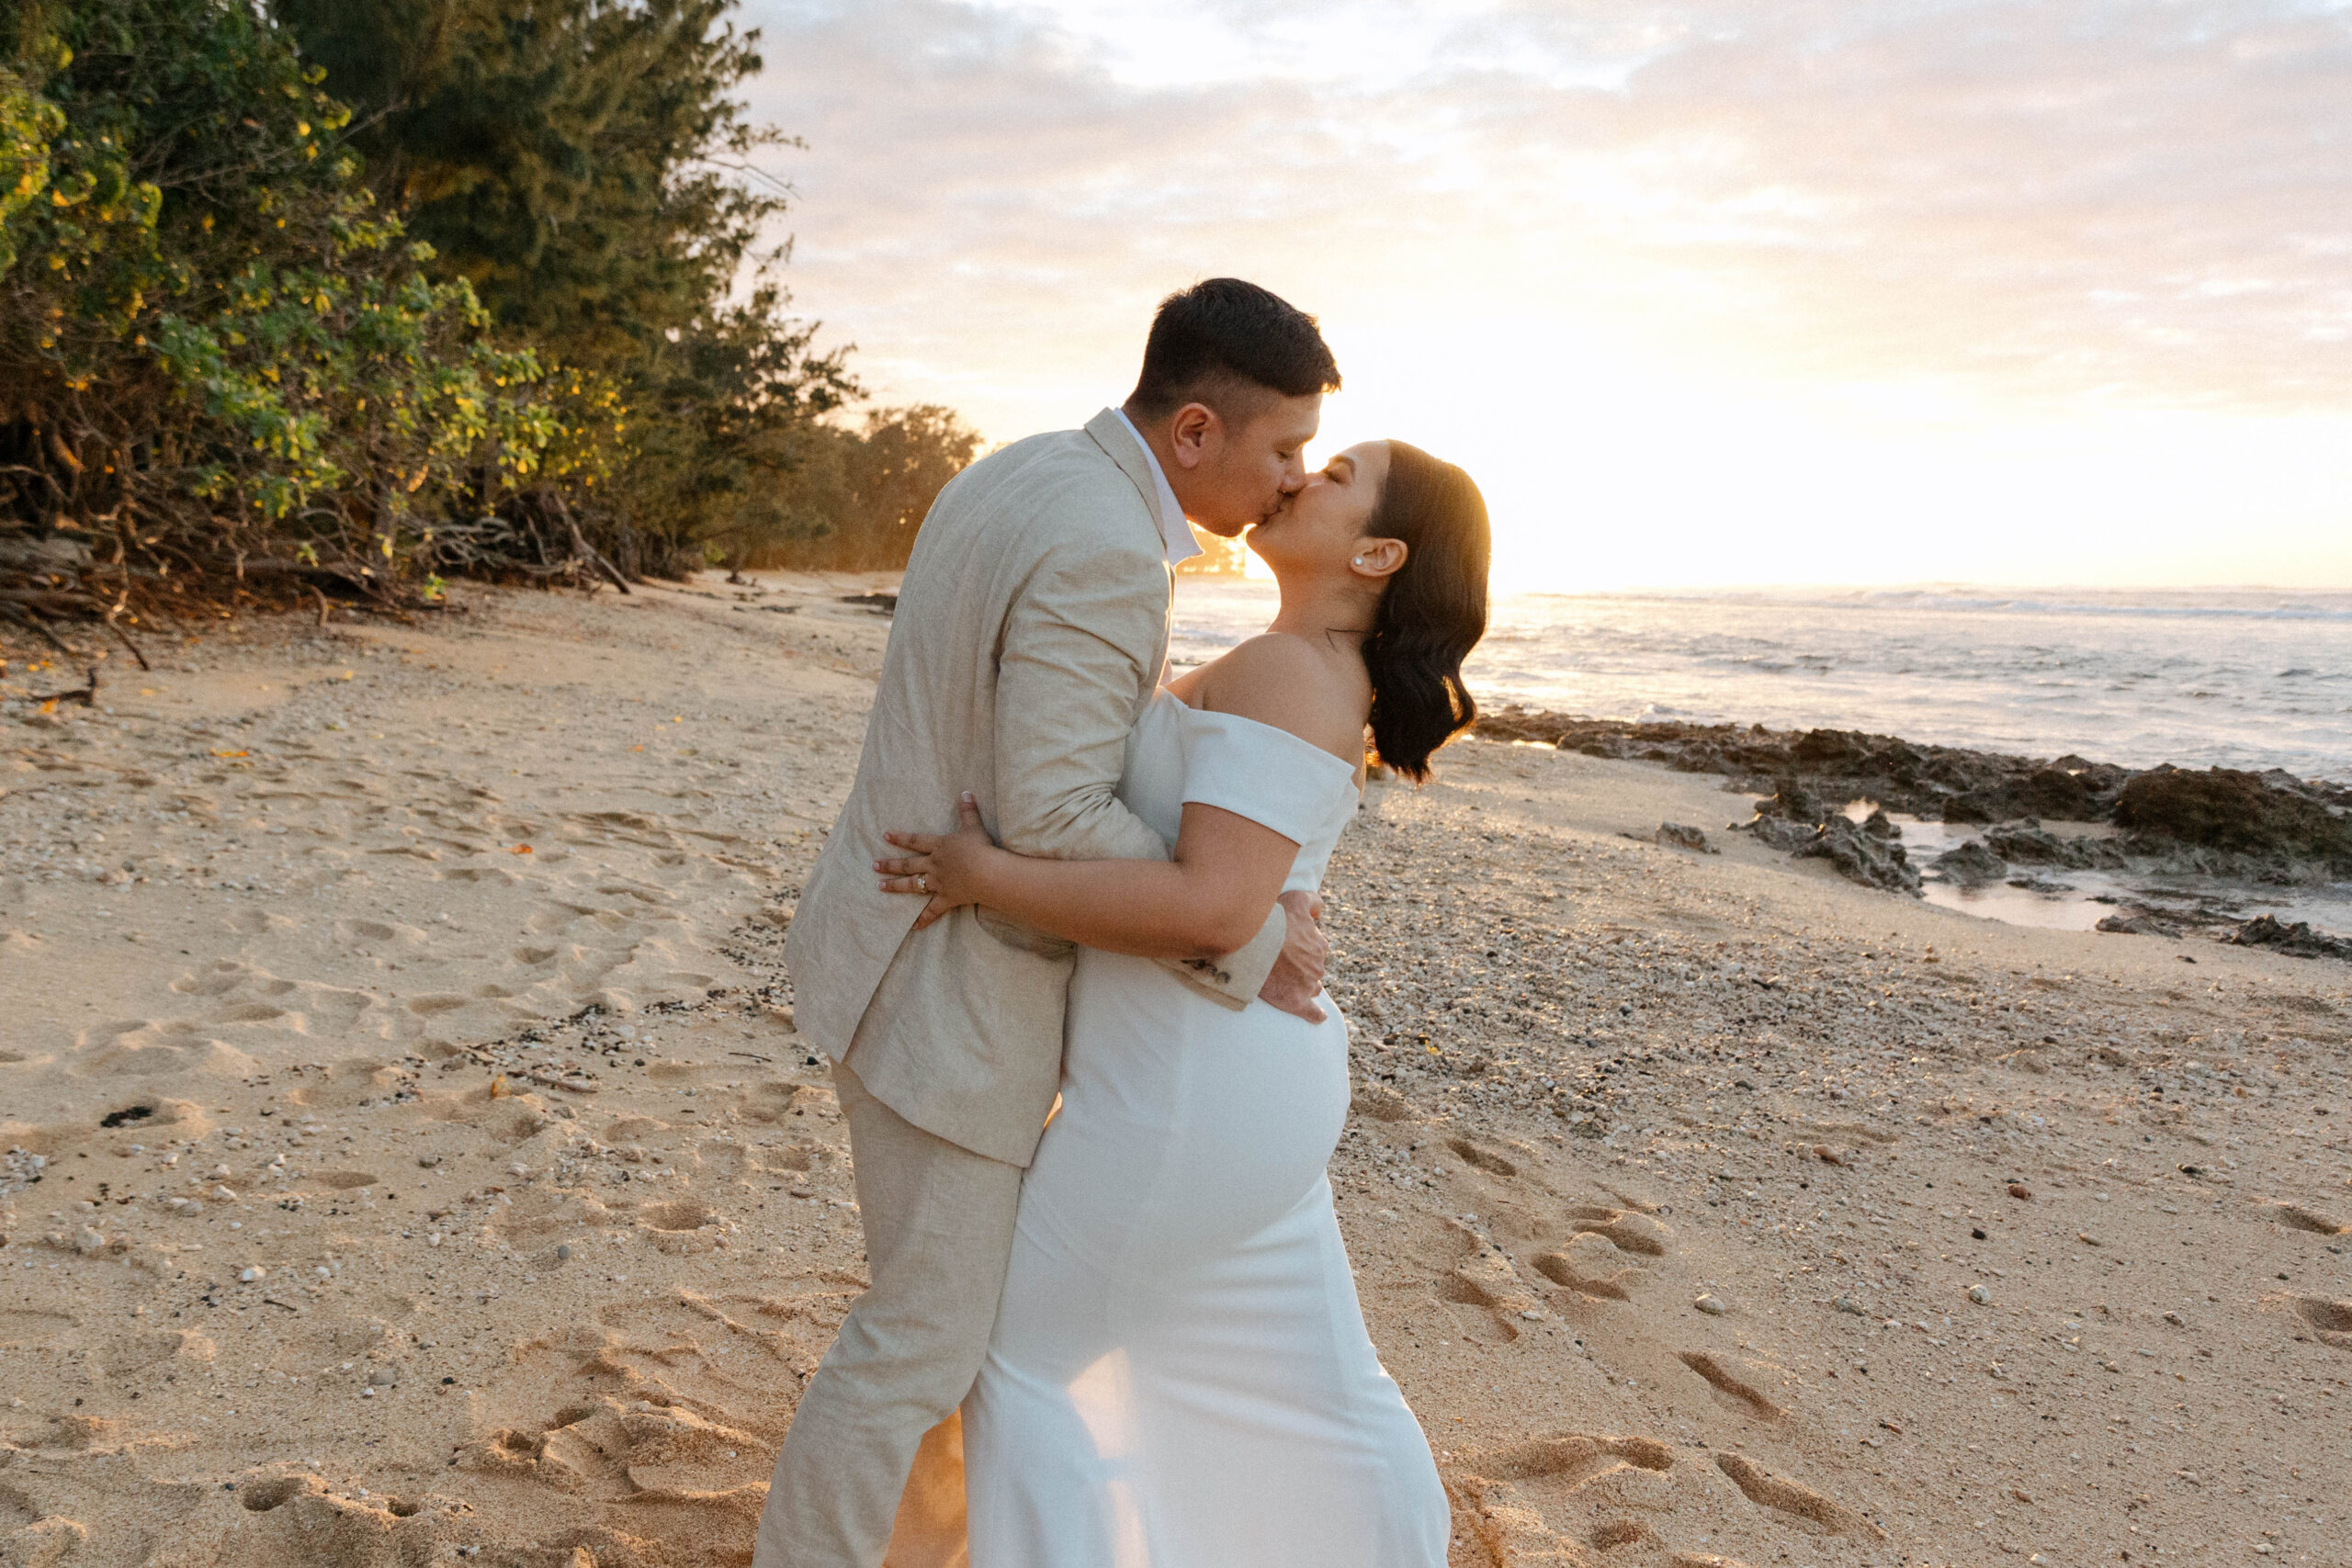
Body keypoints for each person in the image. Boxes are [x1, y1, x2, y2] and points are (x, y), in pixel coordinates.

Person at [753, 279, 1343, 1568]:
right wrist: (1237, 921)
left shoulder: (1025, 469)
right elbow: (1058, 815)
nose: (1293, 480)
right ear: (1195, 431)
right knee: (916, 1345)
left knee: (944, 1331)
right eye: (1283, 447)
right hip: (945, 997)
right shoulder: (1106, 546)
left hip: (895, 955)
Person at [876, 436, 1492, 1565]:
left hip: (1189, 1096)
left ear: (1379, 553)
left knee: (1018, 1360)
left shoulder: (1291, 669)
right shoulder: (1295, 661)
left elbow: (1213, 911)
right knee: (1311, 1378)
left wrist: (980, 878)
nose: (1301, 478)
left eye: (1337, 475)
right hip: (1243, 1086)